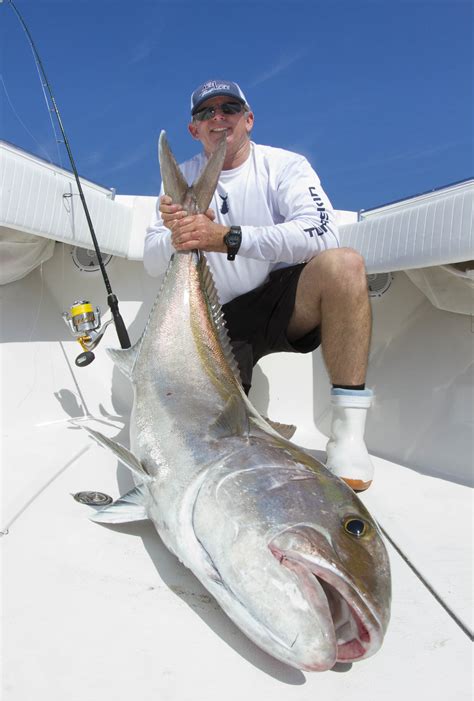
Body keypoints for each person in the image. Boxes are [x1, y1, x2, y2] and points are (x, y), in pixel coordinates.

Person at [144, 79, 374, 492]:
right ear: (194, 129)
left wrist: (227, 237)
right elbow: (150, 259)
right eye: (205, 113)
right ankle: (250, 420)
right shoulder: (180, 181)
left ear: (248, 120)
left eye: (229, 108)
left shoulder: (286, 166)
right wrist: (177, 234)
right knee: (215, 440)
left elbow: (324, 235)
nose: (218, 118)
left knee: (344, 266)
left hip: (277, 298)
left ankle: (348, 436)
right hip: (214, 322)